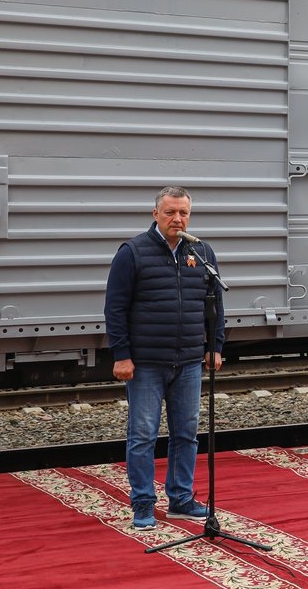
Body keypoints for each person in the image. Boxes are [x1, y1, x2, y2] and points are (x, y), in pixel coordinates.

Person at [105, 186, 225, 531]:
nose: (178, 219)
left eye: (184, 212)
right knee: (143, 435)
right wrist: (122, 354)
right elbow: (115, 308)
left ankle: (181, 499)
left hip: (187, 361)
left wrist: (214, 346)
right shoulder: (133, 252)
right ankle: (143, 503)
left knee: (186, 434)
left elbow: (215, 303)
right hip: (145, 363)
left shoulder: (200, 252)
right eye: (171, 212)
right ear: (155, 214)